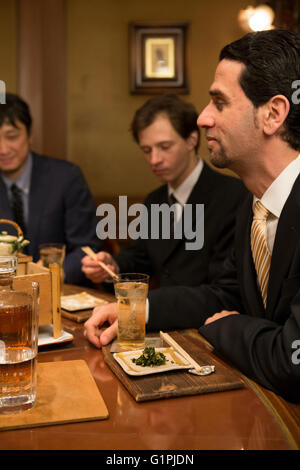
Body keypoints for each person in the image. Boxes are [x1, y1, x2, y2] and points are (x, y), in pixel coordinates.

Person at [84, 29, 300, 403]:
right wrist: (138, 311)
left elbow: (292, 362)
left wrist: (228, 328)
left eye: (219, 102)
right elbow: (224, 293)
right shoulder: (255, 204)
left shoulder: (239, 198)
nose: (202, 118)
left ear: (273, 114)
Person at [82, 94, 246, 288]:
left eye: (164, 147)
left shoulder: (233, 196)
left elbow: (224, 287)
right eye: (147, 150)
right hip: (161, 313)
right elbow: (140, 257)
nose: (154, 160)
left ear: (192, 140)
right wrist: (112, 265)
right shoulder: (155, 200)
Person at [0, 93, 101, 285]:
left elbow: (86, 246)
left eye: (12, 137)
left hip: (62, 292)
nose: (3, 149)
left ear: (30, 135)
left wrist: (52, 274)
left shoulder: (66, 177)